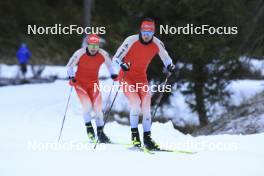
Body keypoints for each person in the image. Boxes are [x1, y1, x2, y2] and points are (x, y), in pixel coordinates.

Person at [112, 18, 175, 150]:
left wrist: (169, 66)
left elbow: (166, 59)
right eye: (144, 32)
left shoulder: (157, 43)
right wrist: (122, 64)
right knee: (135, 103)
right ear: (140, 31)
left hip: (141, 78)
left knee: (146, 104)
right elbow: (115, 58)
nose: (147, 35)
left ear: (153, 33)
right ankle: (135, 139)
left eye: (150, 33)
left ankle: (147, 139)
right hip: (126, 77)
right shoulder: (131, 40)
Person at [66, 34, 118, 143]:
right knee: (87, 106)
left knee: (98, 108)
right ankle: (90, 130)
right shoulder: (80, 53)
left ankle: (100, 133)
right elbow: (69, 66)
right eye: (91, 45)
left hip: (94, 84)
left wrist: (113, 74)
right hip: (80, 84)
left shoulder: (103, 54)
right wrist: (71, 77)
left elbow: (110, 65)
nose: (93, 48)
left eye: (96, 45)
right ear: (87, 45)